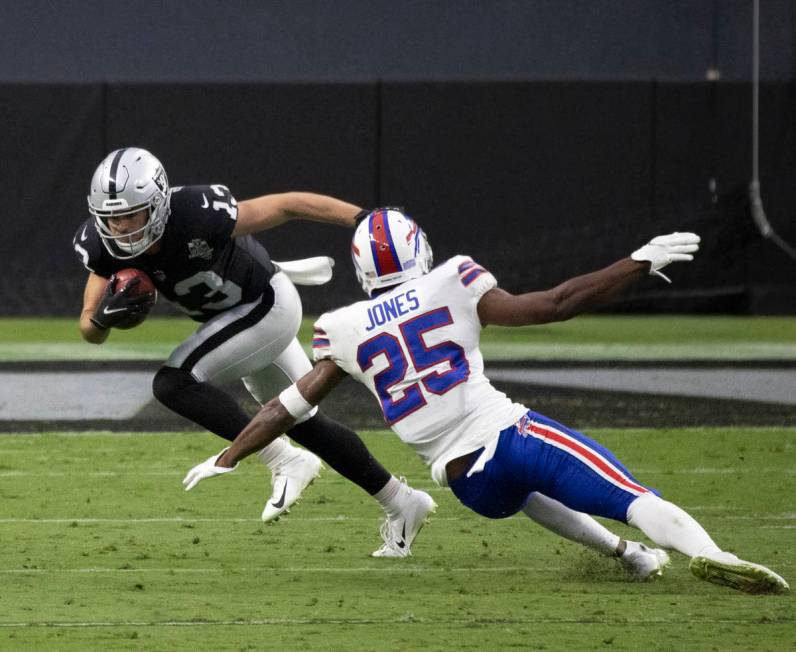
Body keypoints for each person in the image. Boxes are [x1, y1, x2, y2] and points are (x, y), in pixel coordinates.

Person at [184, 208, 790, 594]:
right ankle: (712, 553)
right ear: (420, 249)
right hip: (505, 436)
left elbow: (285, 408)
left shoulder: (343, 326)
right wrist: (635, 263)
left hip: (463, 482)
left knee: (529, 498)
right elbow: (552, 304)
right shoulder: (453, 279)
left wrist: (231, 455)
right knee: (627, 494)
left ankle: (627, 556)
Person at [73, 148, 436, 557]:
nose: (120, 228)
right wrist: (105, 317)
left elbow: (285, 206)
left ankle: (283, 459)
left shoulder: (196, 211)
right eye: (111, 218)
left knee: (173, 382)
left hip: (267, 304)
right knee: (300, 420)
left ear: (157, 204)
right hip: (237, 319)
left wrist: (364, 219)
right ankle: (402, 502)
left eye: (130, 215)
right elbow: (89, 328)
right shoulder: (101, 244)